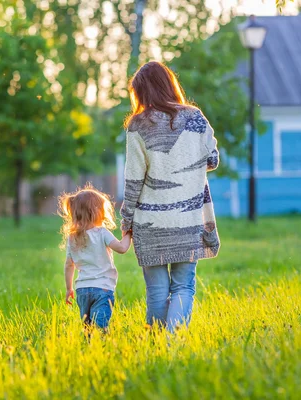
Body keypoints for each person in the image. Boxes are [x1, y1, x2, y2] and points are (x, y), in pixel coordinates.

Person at [121, 61, 220, 333]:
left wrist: (126, 218)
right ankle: (172, 342)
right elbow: (212, 159)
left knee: (156, 290)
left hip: (150, 223)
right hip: (188, 219)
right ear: (169, 84)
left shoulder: (137, 125)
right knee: (183, 286)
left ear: (141, 92)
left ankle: (155, 344)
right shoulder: (195, 117)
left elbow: (133, 178)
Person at [59, 185, 131, 331]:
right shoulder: (101, 233)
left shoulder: (72, 237)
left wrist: (69, 288)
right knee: (100, 329)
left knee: (87, 328)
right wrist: (128, 233)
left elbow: (69, 265)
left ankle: (89, 349)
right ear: (97, 212)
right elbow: (122, 248)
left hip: (82, 290)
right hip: (102, 288)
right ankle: (101, 349)